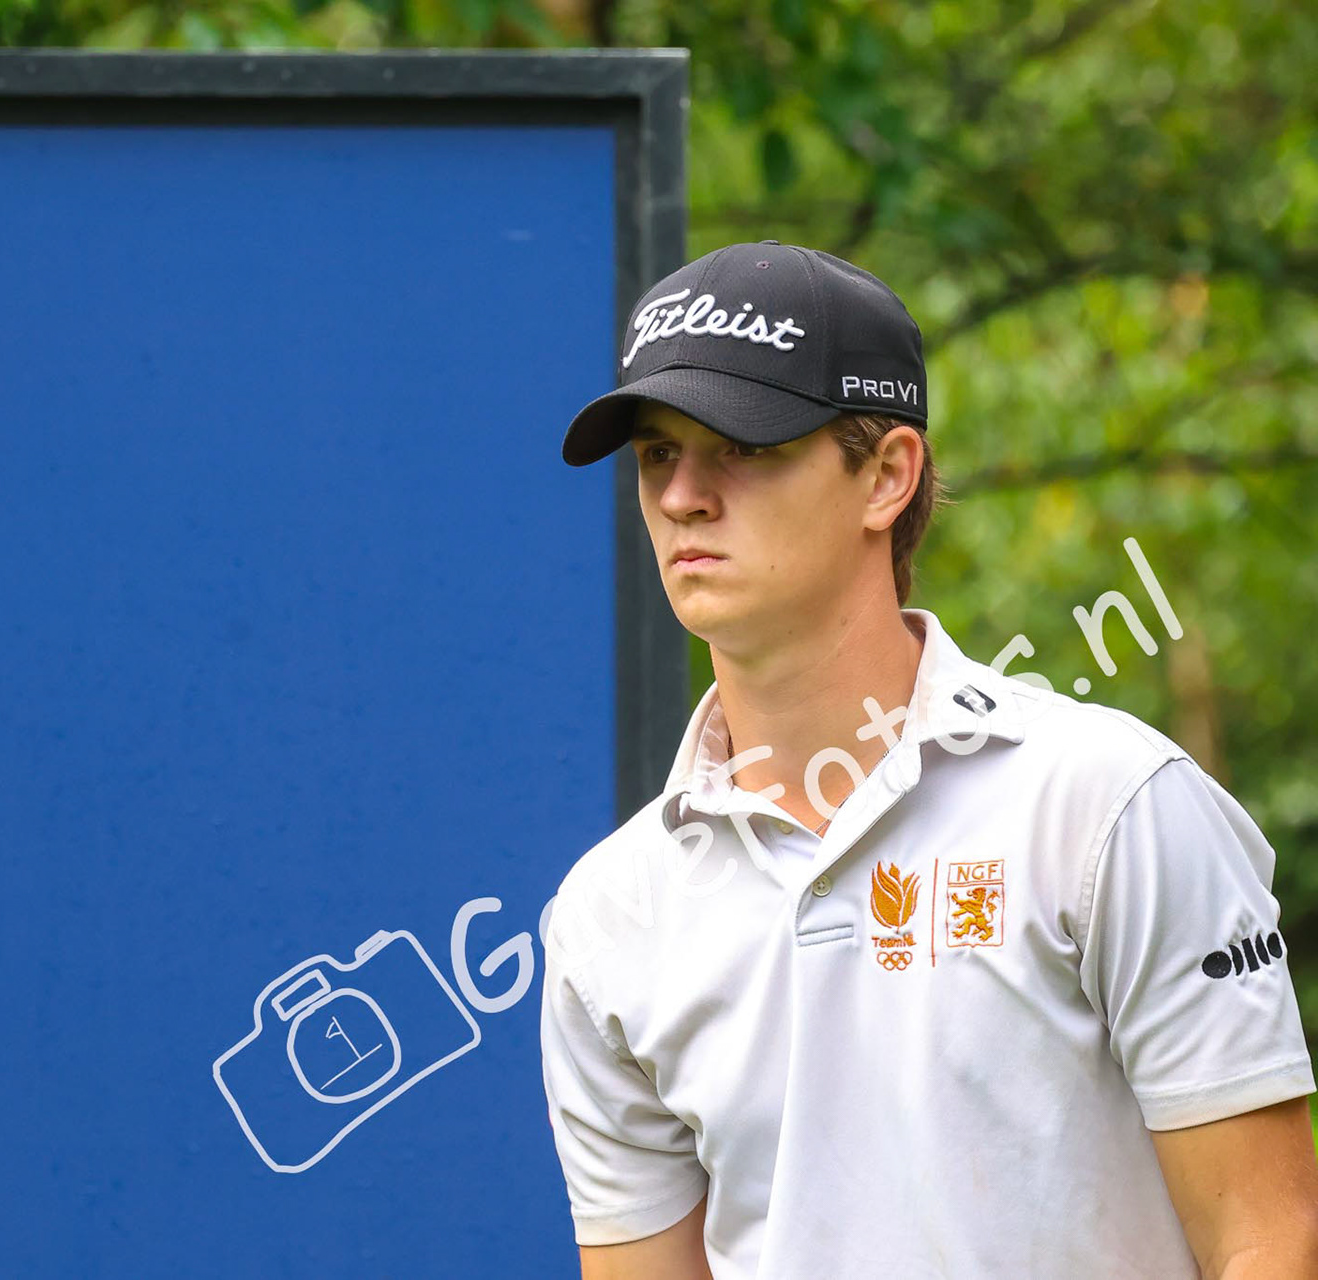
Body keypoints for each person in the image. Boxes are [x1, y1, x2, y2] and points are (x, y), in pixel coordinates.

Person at [538, 240, 1318, 1278]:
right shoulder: (608, 914)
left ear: (888, 476)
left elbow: (1271, 1239)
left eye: (744, 446)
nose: (683, 494)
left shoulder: (1108, 804)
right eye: (656, 454)